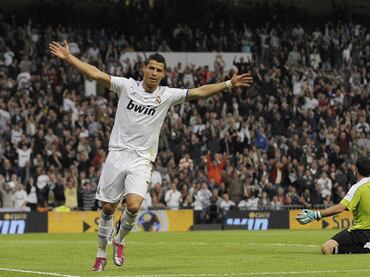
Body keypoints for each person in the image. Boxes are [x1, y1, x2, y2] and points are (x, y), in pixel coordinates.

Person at [49, 41, 252, 272]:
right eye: (151, 68)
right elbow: (95, 74)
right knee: (107, 208)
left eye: (159, 70)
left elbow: (199, 92)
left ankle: (120, 241)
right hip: (117, 154)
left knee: (134, 206)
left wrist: (228, 84)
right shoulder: (126, 86)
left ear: (164, 74)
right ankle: (100, 255)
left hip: (141, 159)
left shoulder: (167, 95)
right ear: (144, 69)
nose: (154, 73)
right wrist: (69, 58)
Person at [296, 156, 370, 255]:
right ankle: (365, 247)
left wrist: (316, 214)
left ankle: (368, 250)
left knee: (326, 248)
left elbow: (340, 208)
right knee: (338, 247)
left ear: (356, 169)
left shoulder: (357, 187)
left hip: (361, 231)